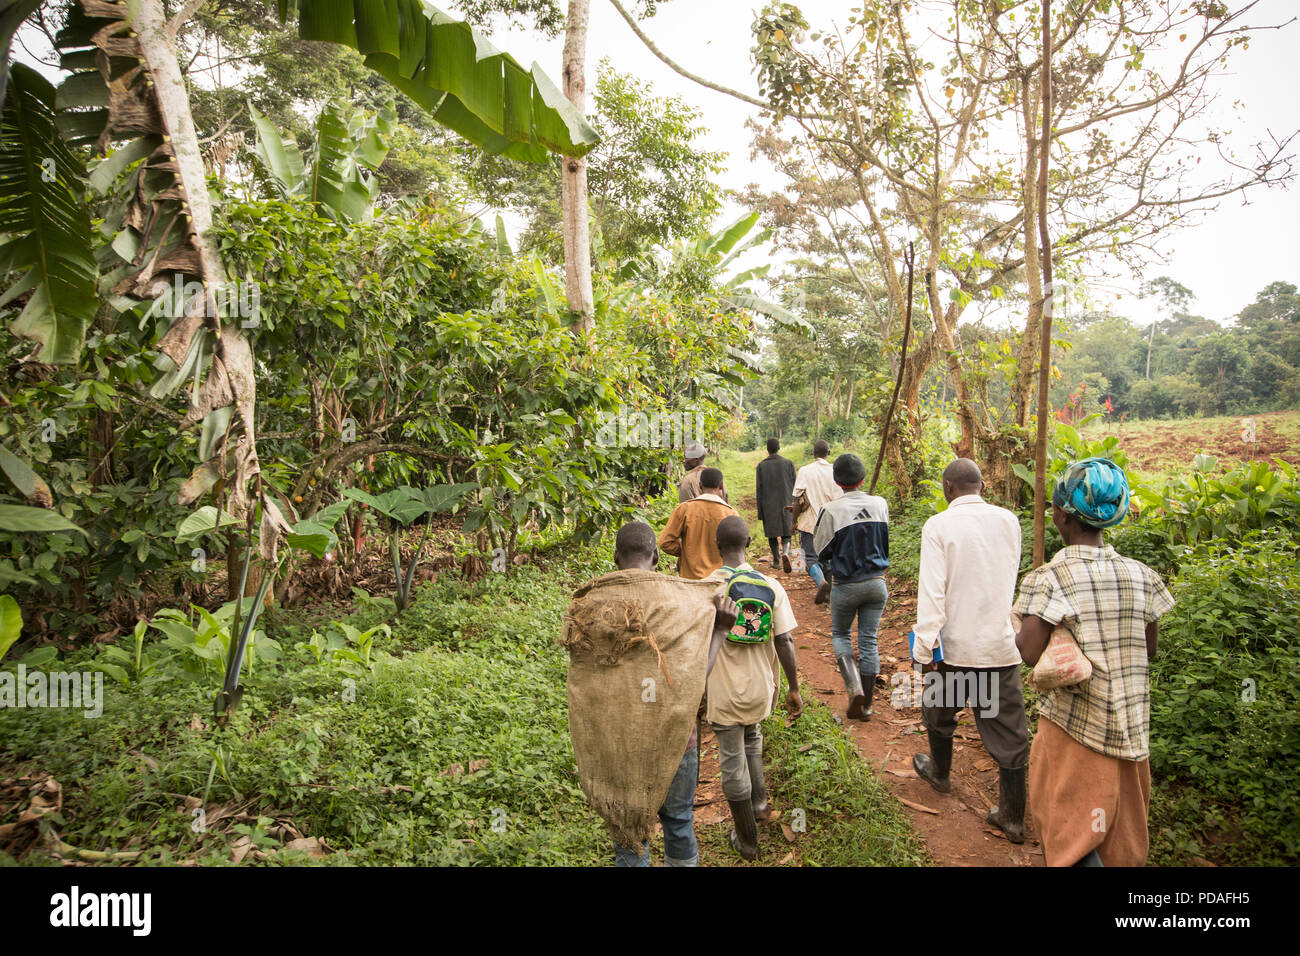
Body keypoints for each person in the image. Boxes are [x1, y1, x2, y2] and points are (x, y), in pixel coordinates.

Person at [1013, 458, 1174, 867]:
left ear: (1062, 516)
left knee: (1072, 835)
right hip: (1132, 728)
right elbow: (1149, 648)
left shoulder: (1049, 578)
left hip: (1075, 729)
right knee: (1120, 841)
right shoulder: (1143, 575)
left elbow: (1030, 653)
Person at [910, 459, 1031, 844]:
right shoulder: (1008, 521)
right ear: (982, 486)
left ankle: (940, 774)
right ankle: (1012, 817)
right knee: (1007, 729)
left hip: (954, 649)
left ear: (947, 487)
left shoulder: (939, 526)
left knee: (940, 710)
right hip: (998, 646)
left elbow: (932, 591)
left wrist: (925, 645)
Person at [604, 521, 738, 867]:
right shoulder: (683, 603)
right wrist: (721, 631)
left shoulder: (597, 606)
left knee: (629, 833)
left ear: (616, 557)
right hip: (678, 739)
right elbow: (693, 679)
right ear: (655, 557)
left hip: (621, 740)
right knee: (678, 821)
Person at [704, 516, 803, 861]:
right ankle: (759, 803)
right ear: (749, 543)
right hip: (762, 687)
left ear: (717, 546)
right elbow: (786, 640)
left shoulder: (706, 588)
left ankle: (747, 840)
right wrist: (793, 688)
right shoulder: (771, 585)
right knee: (753, 737)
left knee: (732, 760)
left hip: (724, 691)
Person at [812, 453, 889, 720]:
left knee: (841, 635)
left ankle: (853, 687)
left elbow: (820, 550)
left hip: (846, 585)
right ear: (863, 479)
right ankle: (866, 705)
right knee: (869, 640)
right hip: (877, 583)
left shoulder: (831, 509)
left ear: (837, 482)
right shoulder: (880, 504)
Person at [658, 468, 738, 580]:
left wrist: (686, 552)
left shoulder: (684, 509)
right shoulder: (730, 513)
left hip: (690, 580)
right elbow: (737, 549)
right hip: (720, 579)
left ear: (700, 485)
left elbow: (665, 542)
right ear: (720, 486)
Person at [790, 439, 841, 592]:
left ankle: (821, 583)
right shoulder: (835, 471)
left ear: (813, 454)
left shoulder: (805, 471)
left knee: (811, 559)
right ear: (829, 453)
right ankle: (829, 594)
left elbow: (797, 500)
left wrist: (793, 521)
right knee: (829, 560)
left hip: (810, 523)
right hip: (832, 523)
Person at [755, 438, 796, 572]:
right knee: (786, 532)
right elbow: (795, 486)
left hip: (768, 505)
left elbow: (759, 490)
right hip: (786, 502)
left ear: (767, 450)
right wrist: (796, 506)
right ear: (779, 448)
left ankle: (777, 561)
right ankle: (786, 552)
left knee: (772, 534)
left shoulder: (761, 466)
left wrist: (760, 512)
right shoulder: (788, 463)